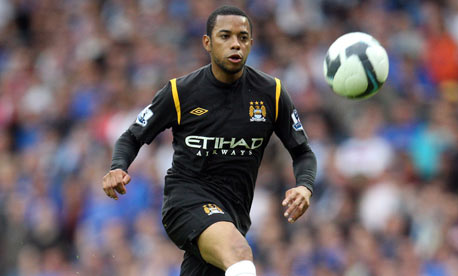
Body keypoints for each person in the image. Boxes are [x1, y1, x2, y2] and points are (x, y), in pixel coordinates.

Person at [102, 5, 317, 276]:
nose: (235, 44)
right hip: (186, 201)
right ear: (207, 42)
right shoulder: (180, 93)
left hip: (233, 214)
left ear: (251, 42)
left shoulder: (271, 93)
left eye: (242, 37)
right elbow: (132, 136)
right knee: (240, 254)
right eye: (225, 36)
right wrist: (117, 166)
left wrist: (305, 187)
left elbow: (303, 152)